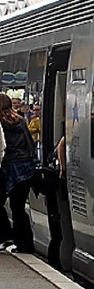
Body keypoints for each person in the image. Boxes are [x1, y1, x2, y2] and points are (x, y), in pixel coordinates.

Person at [0, 93, 36, 253]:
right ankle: (25, 244)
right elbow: (30, 142)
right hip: (25, 167)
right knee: (18, 207)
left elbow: (2, 147)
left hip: (8, 166)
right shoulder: (19, 120)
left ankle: (6, 235)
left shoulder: (1, 122)